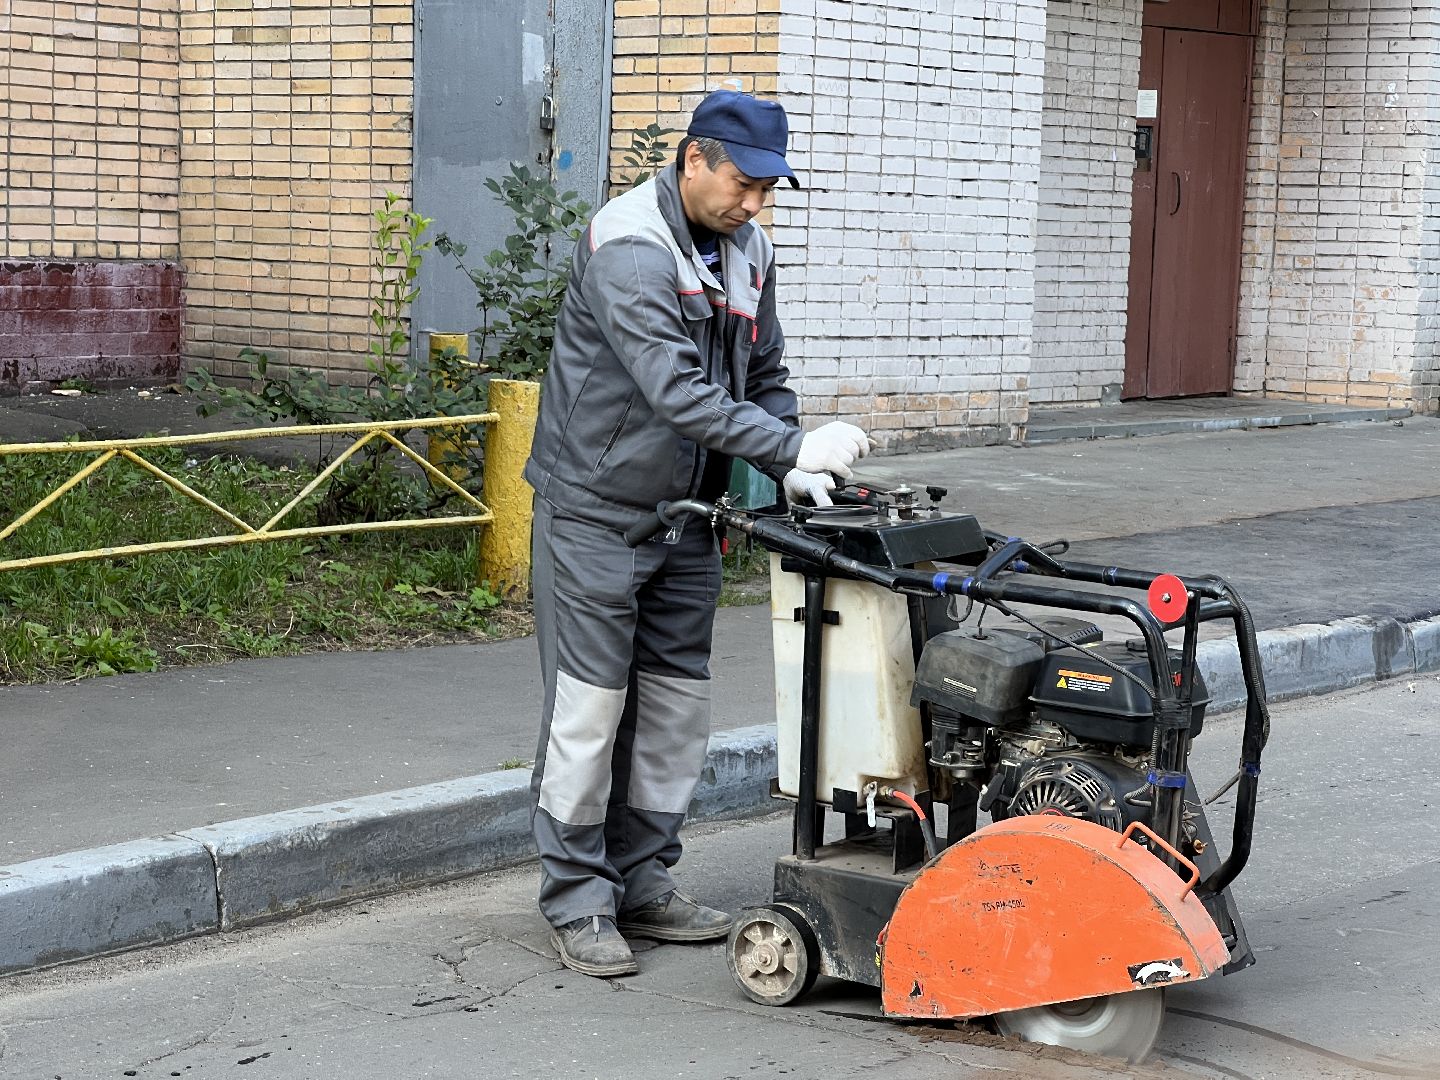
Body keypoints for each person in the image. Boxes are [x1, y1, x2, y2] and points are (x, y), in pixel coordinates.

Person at [523, 89, 871, 978]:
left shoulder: (747, 250)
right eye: (745, 184)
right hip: (597, 513)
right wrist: (789, 444)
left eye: (769, 188)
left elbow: (763, 372)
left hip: (686, 520)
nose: (756, 204)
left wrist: (797, 463)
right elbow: (675, 392)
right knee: (590, 713)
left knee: (674, 712)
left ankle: (643, 881)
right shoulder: (630, 249)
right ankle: (578, 899)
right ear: (693, 160)